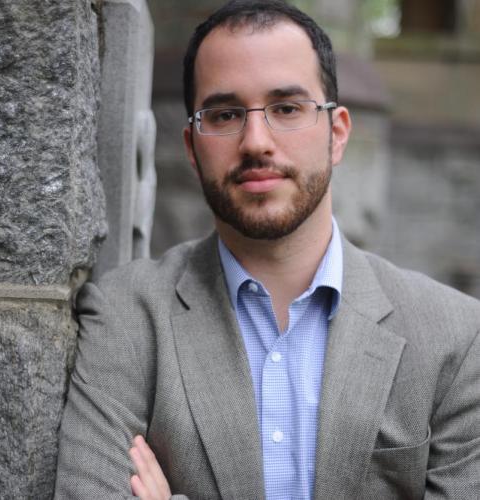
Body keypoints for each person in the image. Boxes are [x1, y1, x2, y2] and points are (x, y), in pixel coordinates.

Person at [54, 1, 480, 499]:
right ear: (192, 147)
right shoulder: (127, 314)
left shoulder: (456, 338)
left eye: (286, 109)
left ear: (337, 133)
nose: (256, 141)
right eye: (226, 113)